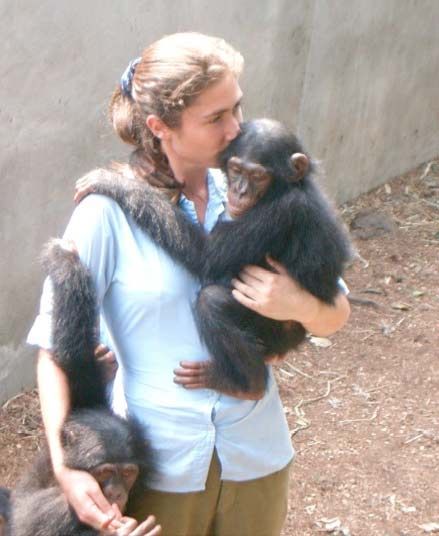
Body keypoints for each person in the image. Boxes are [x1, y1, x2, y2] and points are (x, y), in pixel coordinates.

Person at [27, 32, 350, 536]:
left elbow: (336, 312)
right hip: (161, 464)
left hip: (255, 452)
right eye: (217, 118)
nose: (236, 129)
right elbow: (52, 350)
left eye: (237, 109)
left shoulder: (256, 185)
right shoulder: (104, 213)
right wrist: (66, 466)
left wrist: (298, 306)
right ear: (160, 127)